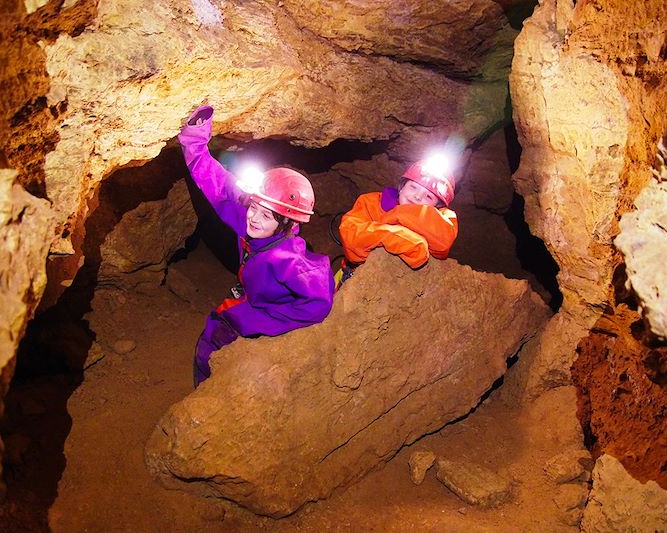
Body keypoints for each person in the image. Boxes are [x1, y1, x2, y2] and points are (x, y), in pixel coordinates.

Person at [178, 105, 335, 387]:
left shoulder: (288, 260)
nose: (253, 217)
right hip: (251, 292)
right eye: (254, 207)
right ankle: (204, 389)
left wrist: (259, 318)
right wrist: (195, 137)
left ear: (287, 224)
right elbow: (217, 183)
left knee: (213, 335)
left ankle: (210, 393)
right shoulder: (257, 216)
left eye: (265, 215)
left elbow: (319, 302)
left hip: (264, 307)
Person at [336, 158, 459, 286]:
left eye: (428, 196)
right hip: (355, 279)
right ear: (401, 187)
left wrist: (399, 214)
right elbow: (351, 236)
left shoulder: (442, 220)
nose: (417, 196)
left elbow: (444, 240)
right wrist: (398, 236)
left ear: (437, 207)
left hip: (401, 290)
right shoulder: (372, 203)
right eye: (413, 187)